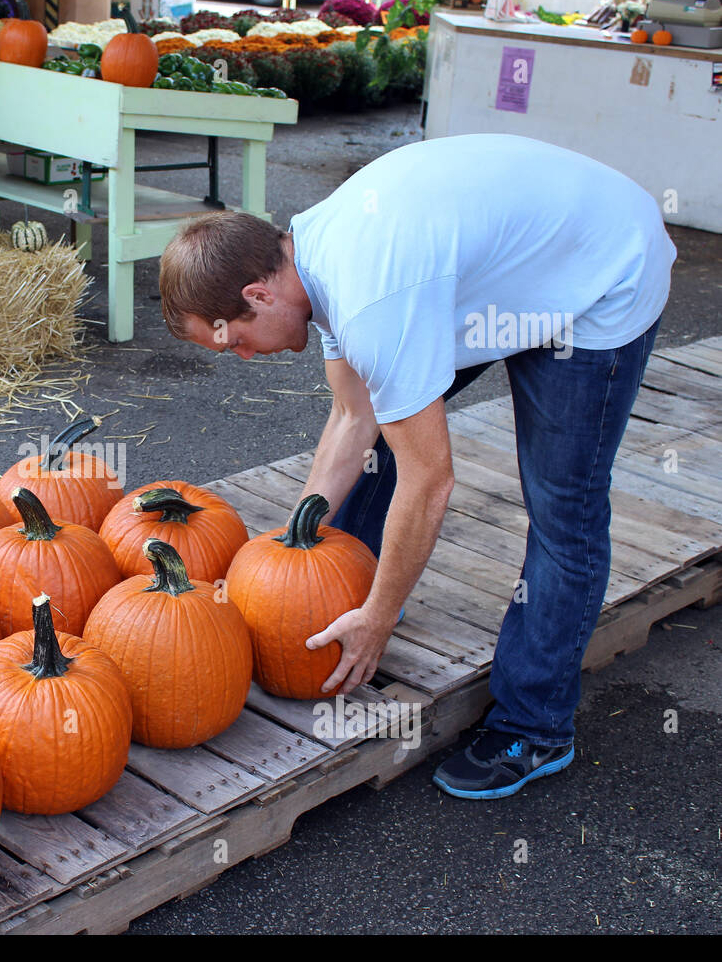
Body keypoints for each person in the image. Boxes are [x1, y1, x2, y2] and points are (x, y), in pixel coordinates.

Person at [158, 133, 676, 800]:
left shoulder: (371, 298)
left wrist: (381, 612)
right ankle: (344, 597)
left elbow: (431, 479)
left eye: (233, 341)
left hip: (604, 273)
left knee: (563, 506)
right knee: (383, 425)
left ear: (258, 293)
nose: (246, 357)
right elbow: (354, 419)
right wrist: (290, 552)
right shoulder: (313, 260)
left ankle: (536, 724)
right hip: (507, 277)